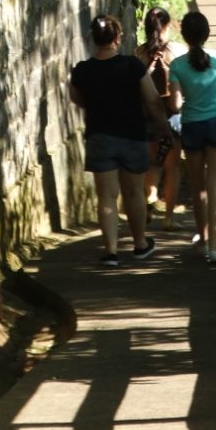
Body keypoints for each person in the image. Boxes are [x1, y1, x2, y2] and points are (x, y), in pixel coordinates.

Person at [69, 14, 169, 267]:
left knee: (106, 196)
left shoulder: (82, 70)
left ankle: (111, 252)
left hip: (99, 136)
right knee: (134, 192)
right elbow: (152, 100)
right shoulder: (132, 66)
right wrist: (163, 126)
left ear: (94, 38)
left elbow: (77, 99)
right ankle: (140, 245)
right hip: (131, 135)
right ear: (117, 38)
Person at [168, 10, 216, 264]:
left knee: (198, 187)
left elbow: (176, 104)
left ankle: (201, 238)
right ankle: (215, 247)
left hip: (192, 127)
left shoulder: (176, 66)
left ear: (184, 35)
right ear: (207, 33)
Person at [135, 7, 186, 229]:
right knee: (172, 167)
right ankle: (169, 219)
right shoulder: (177, 51)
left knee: (152, 164)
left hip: (147, 115)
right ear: (166, 26)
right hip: (172, 115)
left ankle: (150, 197)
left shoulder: (138, 53)